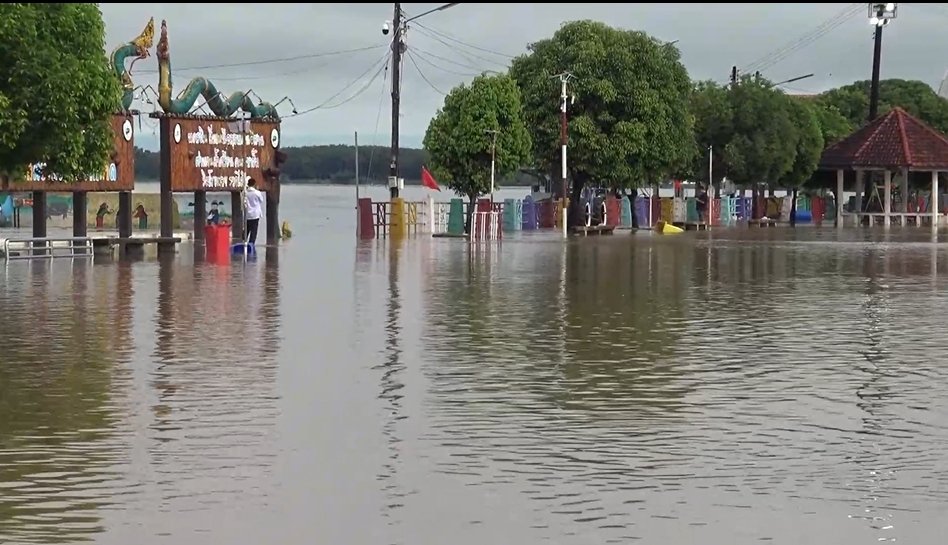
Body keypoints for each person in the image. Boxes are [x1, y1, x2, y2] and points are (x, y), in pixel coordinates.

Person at [243, 177, 265, 246]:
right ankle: (251, 244)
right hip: (255, 214)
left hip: (247, 214)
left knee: (247, 229)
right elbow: (261, 200)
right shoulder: (257, 193)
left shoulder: (245, 192)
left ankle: (244, 242)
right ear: (254, 184)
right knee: (254, 231)